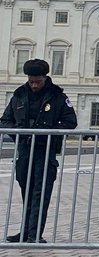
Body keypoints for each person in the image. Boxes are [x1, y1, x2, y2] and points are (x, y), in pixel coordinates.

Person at [1, 58, 77, 243]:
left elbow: (70, 122)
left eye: (38, 81)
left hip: (45, 151)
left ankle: (34, 234)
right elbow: (5, 120)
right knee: (26, 192)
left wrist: (47, 133)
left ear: (45, 78)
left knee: (40, 193)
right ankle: (25, 232)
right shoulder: (19, 95)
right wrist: (19, 134)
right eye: (31, 81)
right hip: (25, 151)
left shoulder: (57, 97)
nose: (34, 85)